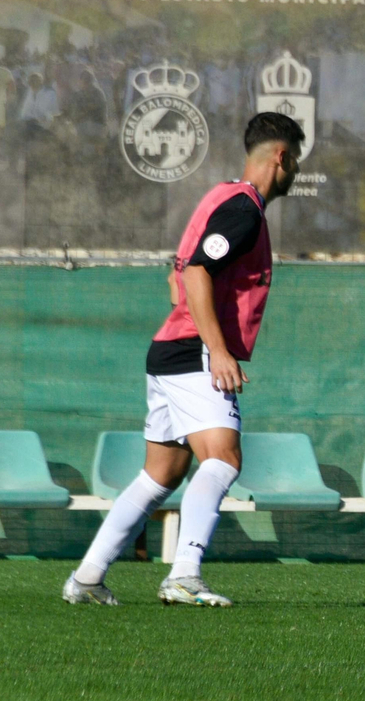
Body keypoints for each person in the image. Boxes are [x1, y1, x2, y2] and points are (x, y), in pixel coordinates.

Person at [63, 112, 306, 607]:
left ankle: (87, 578)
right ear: (281, 157)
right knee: (223, 459)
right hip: (193, 350)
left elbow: (176, 276)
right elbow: (195, 273)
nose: (296, 171)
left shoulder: (217, 198)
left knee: (161, 474)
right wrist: (217, 349)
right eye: (296, 160)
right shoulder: (243, 210)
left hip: (168, 349)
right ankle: (184, 574)